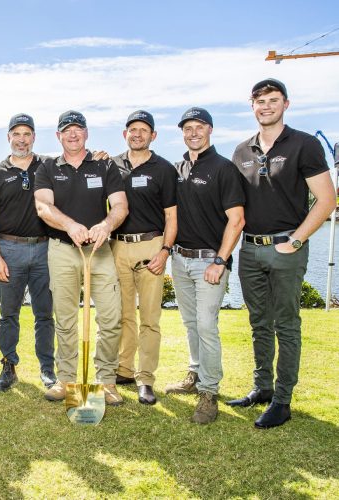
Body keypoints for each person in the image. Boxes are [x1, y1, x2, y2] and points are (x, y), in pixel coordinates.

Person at [227, 79, 336, 428]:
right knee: (259, 323)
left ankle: (282, 400)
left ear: (286, 104)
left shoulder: (303, 144)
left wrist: (297, 241)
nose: (266, 106)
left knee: (285, 325)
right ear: (252, 105)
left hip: (285, 248)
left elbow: (327, 200)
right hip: (250, 250)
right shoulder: (241, 151)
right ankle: (261, 388)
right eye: (260, 101)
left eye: (273, 100)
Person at [34, 110, 128, 405]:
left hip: (99, 252)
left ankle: (107, 381)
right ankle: (66, 380)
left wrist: (105, 225)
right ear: (58, 136)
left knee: (111, 318)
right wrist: (70, 225)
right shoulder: (48, 167)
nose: (73, 134)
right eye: (67, 130)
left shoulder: (104, 165)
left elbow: (120, 206)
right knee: (65, 319)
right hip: (62, 250)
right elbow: (43, 207)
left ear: (86, 133)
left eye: (78, 129)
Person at [164, 107, 245, 425]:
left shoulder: (224, 169)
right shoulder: (177, 168)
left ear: (210, 129)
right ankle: (195, 375)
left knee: (207, 326)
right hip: (180, 258)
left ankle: (209, 392)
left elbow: (236, 220)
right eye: (187, 128)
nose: (193, 132)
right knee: (190, 323)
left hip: (209, 261)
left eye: (199, 127)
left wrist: (220, 260)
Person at [0, 113, 56, 392]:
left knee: (45, 314)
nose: (21, 139)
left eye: (27, 134)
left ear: (33, 137)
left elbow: (76, 169)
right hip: (9, 249)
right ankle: (8, 365)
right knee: (8, 314)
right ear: (9, 137)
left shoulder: (48, 165)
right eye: (16, 134)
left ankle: (47, 369)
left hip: (45, 249)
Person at [110, 111, 178, 405]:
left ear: (153, 135)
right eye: (132, 129)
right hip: (117, 248)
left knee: (149, 318)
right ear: (125, 134)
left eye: (143, 130)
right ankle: (124, 369)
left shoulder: (163, 169)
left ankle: (145, 378)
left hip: (152, 246)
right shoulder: (111, 165)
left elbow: (172, 216)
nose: (137, 134)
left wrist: (165, 251)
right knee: (122, 315)